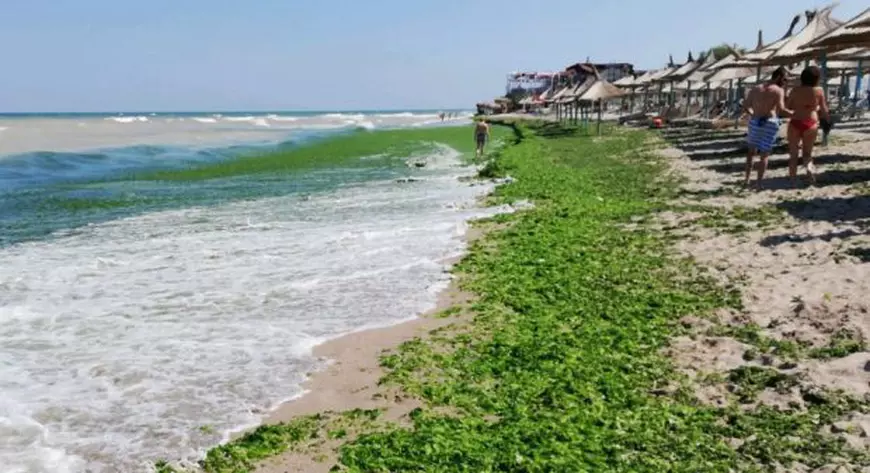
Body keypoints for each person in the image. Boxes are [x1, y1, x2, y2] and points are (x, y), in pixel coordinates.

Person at [742, 66, 793, 189]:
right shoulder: (778, 90)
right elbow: (781, 109)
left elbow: (746, 105)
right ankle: (759, 183)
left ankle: (747, 180)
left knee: (751, 152)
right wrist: (795, 113)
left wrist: (753, 114)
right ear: (779, 77)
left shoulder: (756, 88)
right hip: (770, 123)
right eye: (785, 79)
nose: (785, 82)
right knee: (764, 155)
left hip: (755, 121)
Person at [786, 65, 830, 187]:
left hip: (795, 121)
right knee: (807, 153)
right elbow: (824, 109)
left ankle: (792, 180)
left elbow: (788, 106)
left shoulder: (795, 90)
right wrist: (827, 120)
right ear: (816, 78)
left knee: (793, 154)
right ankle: (809, 169)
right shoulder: (819, 90)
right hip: (811, 122)